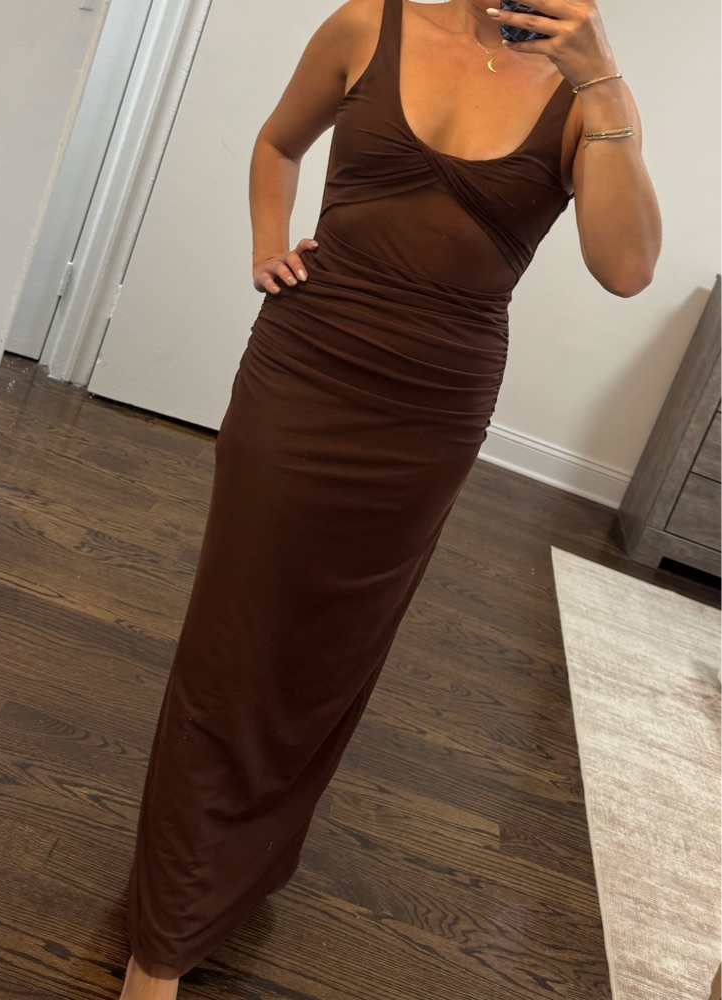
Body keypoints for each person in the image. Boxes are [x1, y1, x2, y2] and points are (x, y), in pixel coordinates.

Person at [118, 0, 661, 996]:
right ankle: (161, 940)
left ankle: (247, 863)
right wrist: (267, 242)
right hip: (305, 362)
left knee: (329, 652)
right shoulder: (368, 23)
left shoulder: (582, 89)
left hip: (432, 410)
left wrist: (600, 78)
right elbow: (277, 145)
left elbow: (625, 270)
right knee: (232, 636)